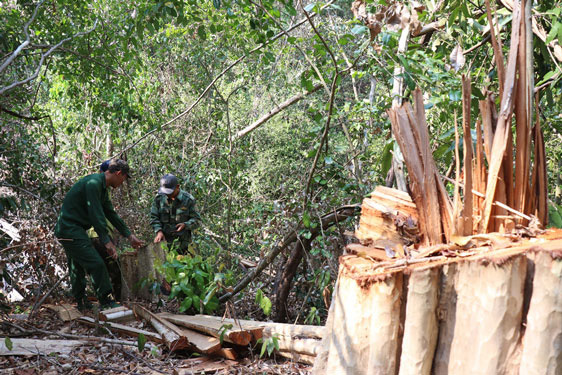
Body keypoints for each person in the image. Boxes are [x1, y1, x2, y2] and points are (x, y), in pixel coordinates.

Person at [55, 159, 144, 311]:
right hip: (70, 229)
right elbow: (96, 214)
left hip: (72, 229)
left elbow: (110, 213)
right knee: (96, 264)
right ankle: (107, 301)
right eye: (124, 178)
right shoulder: (93, 184)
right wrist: (106, 241)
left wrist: (129, 235)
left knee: (76, 266)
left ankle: (82, 302)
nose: (123, 182)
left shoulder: (102, 188)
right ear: (118, 173)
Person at [87, 160, 122, 300]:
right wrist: (107, 239)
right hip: (99, 235)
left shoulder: (101, 189)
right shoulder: (96, 187)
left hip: (96, 234)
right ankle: (113, 301)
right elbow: (99, 215)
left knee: (102, 268)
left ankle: (106, 299)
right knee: (114, 269)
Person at [150, 174, 201, 254]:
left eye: (170, 192)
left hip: (184, 247)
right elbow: (154, 217)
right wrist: (159, 231)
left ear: (177, 187)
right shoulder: (159, 199)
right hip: (164, 245)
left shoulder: (188, 200)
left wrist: (185, 224)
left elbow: (197, 220)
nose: (168, 194)